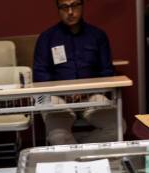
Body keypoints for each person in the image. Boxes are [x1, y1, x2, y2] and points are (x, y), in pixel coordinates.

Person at [33, 0, 124, 145]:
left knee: (117, 128)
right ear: (58, 9)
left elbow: (107, 72)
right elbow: (40, 74)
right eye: (64, 7)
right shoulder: (46, 38)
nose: (70, 11)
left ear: (82, 6)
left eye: (74, 5)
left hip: (92, 94)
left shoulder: (98, 36)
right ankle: (81, 154)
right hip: (58, 96)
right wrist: (64, 92)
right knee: (58, 136)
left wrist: (87, 90)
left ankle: (77, 151)